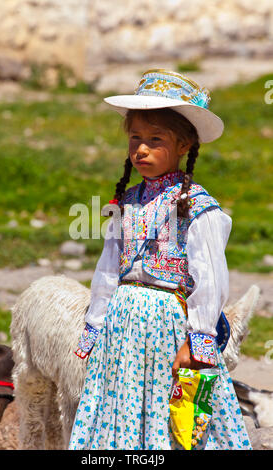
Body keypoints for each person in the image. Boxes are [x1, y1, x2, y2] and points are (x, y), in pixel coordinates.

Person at [68, 69, 252, 450]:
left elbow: (211, 280)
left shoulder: (199, 208)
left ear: (183, 145)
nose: (142, 149)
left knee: (168, 418)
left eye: (156, 139)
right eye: (135, 138)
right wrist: (95, 326)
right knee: (119, 409)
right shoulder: (128, 201)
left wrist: (197, 342)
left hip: (168, 328)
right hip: (121, 328)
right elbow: (108, 271)